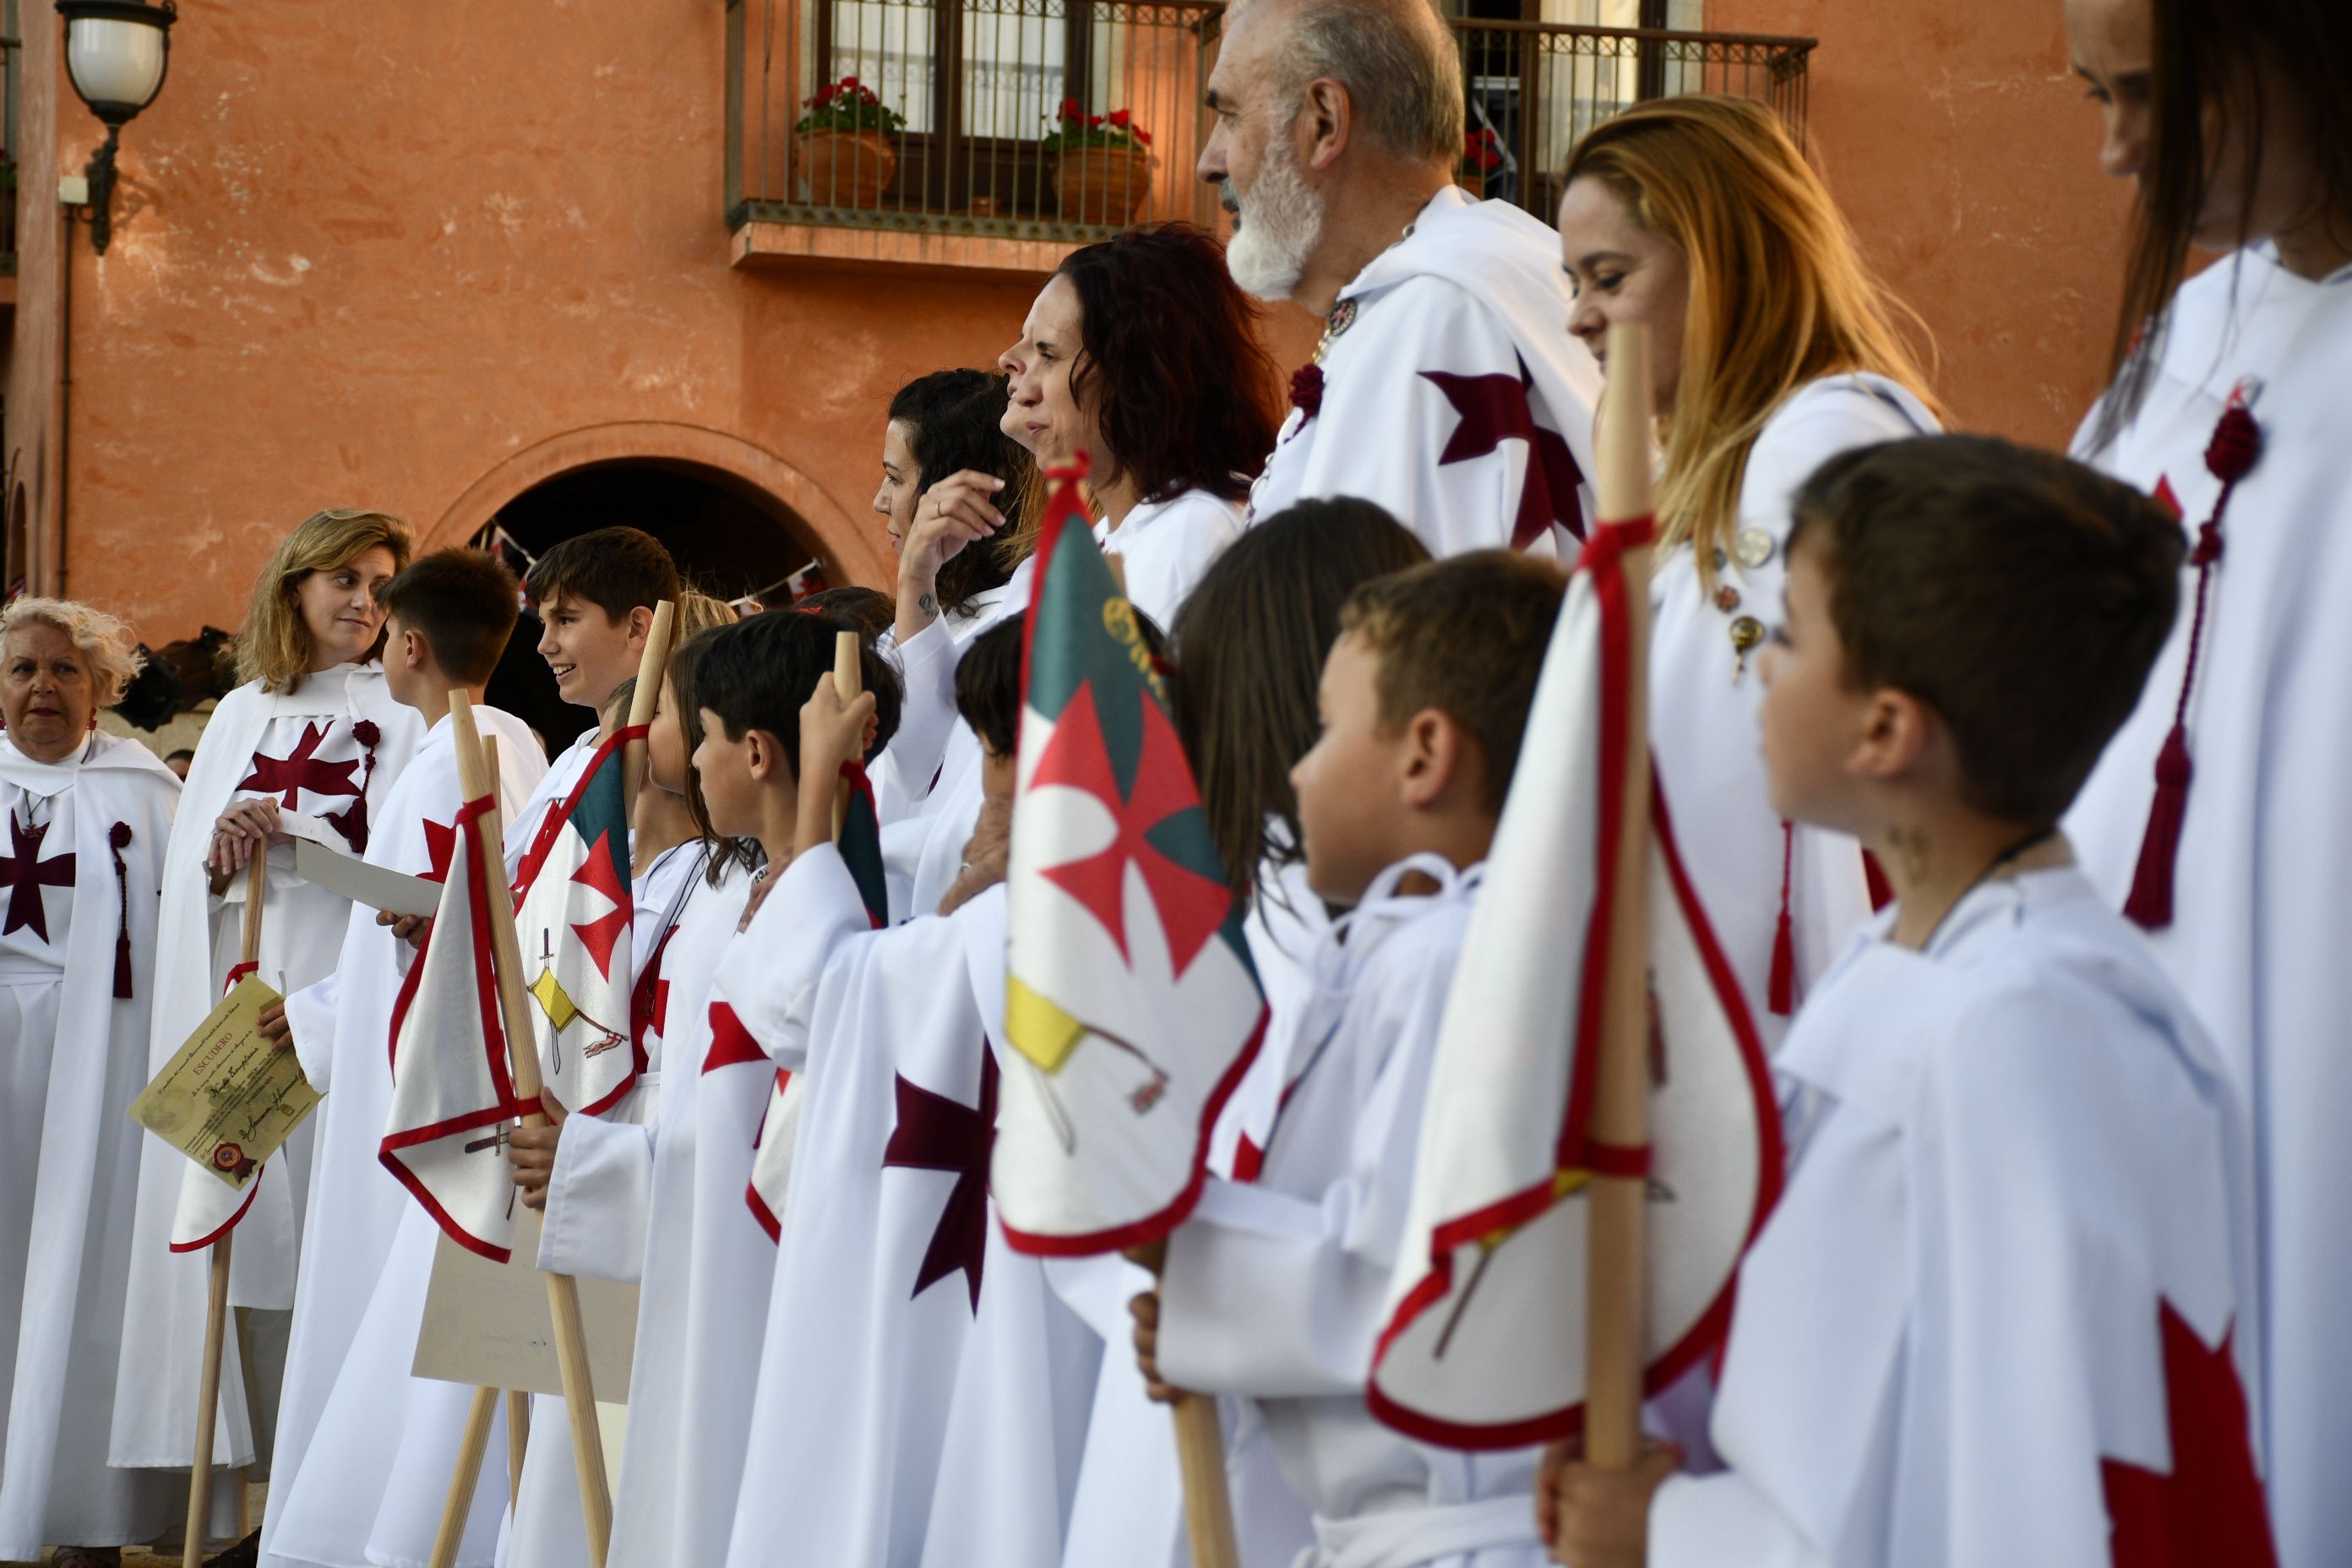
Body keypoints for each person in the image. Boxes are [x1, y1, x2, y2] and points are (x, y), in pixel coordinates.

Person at [1544, 437, 2274, 1567]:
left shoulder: (2023, 1032)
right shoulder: (1920, 958)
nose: (1764, 665)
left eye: (1786, 631)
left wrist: (1668, 1536)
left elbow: (2009, 1502)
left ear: (1886, 730)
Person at [2061, 4, 2351, 1560]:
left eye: (2146, 99)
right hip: (2133, 1002)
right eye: (2090, 97)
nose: (2115, 150)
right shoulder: (2187, 328)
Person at [1133, 552, 1567, 1567]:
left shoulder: (1458, 960)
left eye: (1327, 731)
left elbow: (1414, 1279)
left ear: (1425, 754)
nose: (1296, 768)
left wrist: (1181, 1246)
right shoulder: (1410, 947)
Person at [1053, 498, 1433, 1568]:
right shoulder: (1258, 911)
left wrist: (1212, 1276)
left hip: (1340, 1457)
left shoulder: (1353, 936)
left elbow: (1410, 1247)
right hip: (1219, 1396)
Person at [1556, 95, 1939, 1067]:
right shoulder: (1717, 465)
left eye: (1609, 276)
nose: (1577, 316)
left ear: (1723, 260)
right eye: (1573, 281)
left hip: (1796, 997)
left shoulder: (1829, 434)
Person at [716, 612, 1103, 1565]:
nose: (985, 782)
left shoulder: (1008, 927)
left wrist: (816, 791)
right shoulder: (1145, 923)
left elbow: (806, 996)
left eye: (990, 747)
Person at [112, 509, 422, 1519]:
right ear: (293, 587)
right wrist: (221, 855)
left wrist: (294, 835)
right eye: (341, 579)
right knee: (241, 1254)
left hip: (341, 1003)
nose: (362, 601)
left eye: (379, 582)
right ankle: (234, 1503)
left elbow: (421, 892)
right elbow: (188, 885)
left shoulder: (413, 715)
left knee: (330, 1249)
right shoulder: (242, 712)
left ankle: (320, 1500)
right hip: (237, 999)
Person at [255, 550, 548, 1568]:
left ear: (407, 644)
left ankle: (401, 1517)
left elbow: (460, 911)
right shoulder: (502, 738)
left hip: (424, 1084)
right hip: (408, 1051)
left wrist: (329, 869)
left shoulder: (456, 753)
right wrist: (320, 1013)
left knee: (388, 1291)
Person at [889, 224, 1282, 921]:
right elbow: (940, 766)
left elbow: (1105, 805)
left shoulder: (1194, 540)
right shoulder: (1086, 547)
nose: (1010, 364)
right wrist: (915, 577)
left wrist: (854, 850)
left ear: (1140, 377)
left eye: (1046, 351)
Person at [502, 616, 769, 1568]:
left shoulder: (741, 890)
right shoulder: (694, 876)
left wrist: (597, 1156)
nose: (669, 742)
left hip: (654, 1195)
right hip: (610, 1176)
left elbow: (723, 1103)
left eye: (678, 720)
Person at [1195, 0, 1601, 554]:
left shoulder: (1437, 317)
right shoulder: (1456, 283)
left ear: (1325, 122)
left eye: (1230, 115)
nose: (1208, 161)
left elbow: (1429, 632)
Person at [0, 600, 181, 1567]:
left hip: (100, 1072)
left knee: (85, 1282)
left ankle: (80, 1513)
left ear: (103, 689)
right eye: (24, 668)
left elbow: (192, 920)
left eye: (66, 672)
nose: (42, 688)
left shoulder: (143, 791)